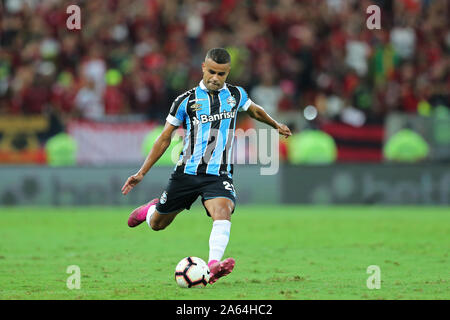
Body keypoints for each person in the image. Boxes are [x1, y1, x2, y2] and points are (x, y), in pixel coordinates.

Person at [121, 48, 291, 284]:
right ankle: (149, 210)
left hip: (218, 174)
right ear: (203, 67)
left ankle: (213, 266)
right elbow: (164, 138)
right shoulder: (185, 100)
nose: (215, 77)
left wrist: (275, 124)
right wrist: (141, 173)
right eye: (211, 71)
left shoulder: (236, 94)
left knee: (222, 211)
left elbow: (254, 110)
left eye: (221, 74)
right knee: (158, 224)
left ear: (227, 72)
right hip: (187, 173)